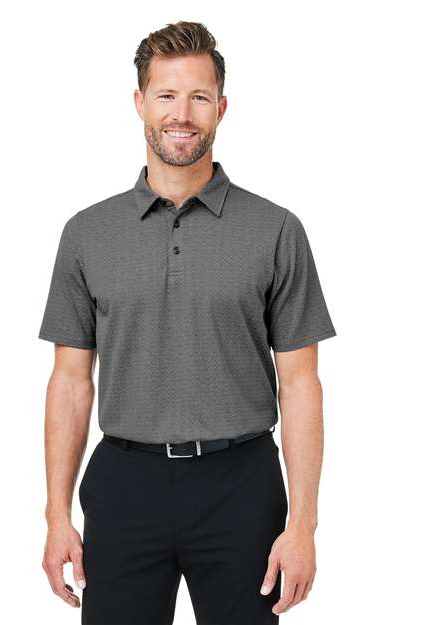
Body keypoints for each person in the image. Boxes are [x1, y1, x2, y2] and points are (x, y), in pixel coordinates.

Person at [39, 20, 337, 625]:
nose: (182, 114)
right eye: (167, 95)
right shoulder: (87, 234)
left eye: (199, 96)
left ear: (221, 108)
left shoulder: (276, 230)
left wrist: (303, 524)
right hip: (124, 483)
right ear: (139, 102)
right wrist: (56, 516)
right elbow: (70, 381)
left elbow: (300, 382)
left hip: (242, 484)